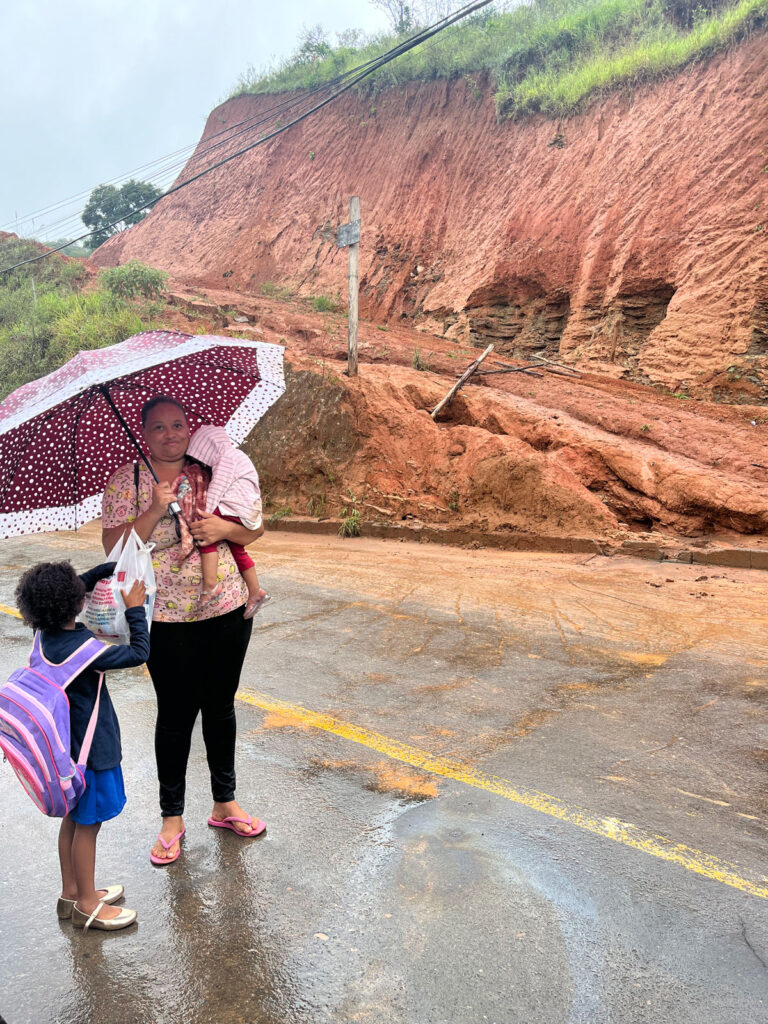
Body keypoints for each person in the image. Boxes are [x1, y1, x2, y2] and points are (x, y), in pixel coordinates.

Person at [101, 395, 266, 866]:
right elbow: (113, 546)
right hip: (165, 616)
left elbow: (254, 527)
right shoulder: (127, 479)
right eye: (159, 427)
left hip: (227, 606)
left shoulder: (212, 467)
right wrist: (154, 508)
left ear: (190, 427)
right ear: (144, 431)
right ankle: (171, 817)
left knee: (221, 706)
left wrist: (223, 528)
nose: (171, 434)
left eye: (178, 424)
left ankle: (224, 802)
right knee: (175, 715)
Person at [14, 560, 149, 932]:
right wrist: (136, 608)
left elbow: (68, 592)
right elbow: (139, 652)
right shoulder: (87, 650)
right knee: (89, 824)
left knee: (73, 819)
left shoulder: (44, 638)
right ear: (77, 603)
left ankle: (71, 892)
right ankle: (88, 904)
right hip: (93, 751)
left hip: (64, 752)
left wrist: (106, 568)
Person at [186, 424, 269, 618]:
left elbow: (217, 488)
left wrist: (203, 514)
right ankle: (255, 591)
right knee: (238, 549)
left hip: (236, 507)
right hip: (249, 509)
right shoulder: (237, 455)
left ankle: (210, 586)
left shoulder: (225, 459)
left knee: (206, 535)